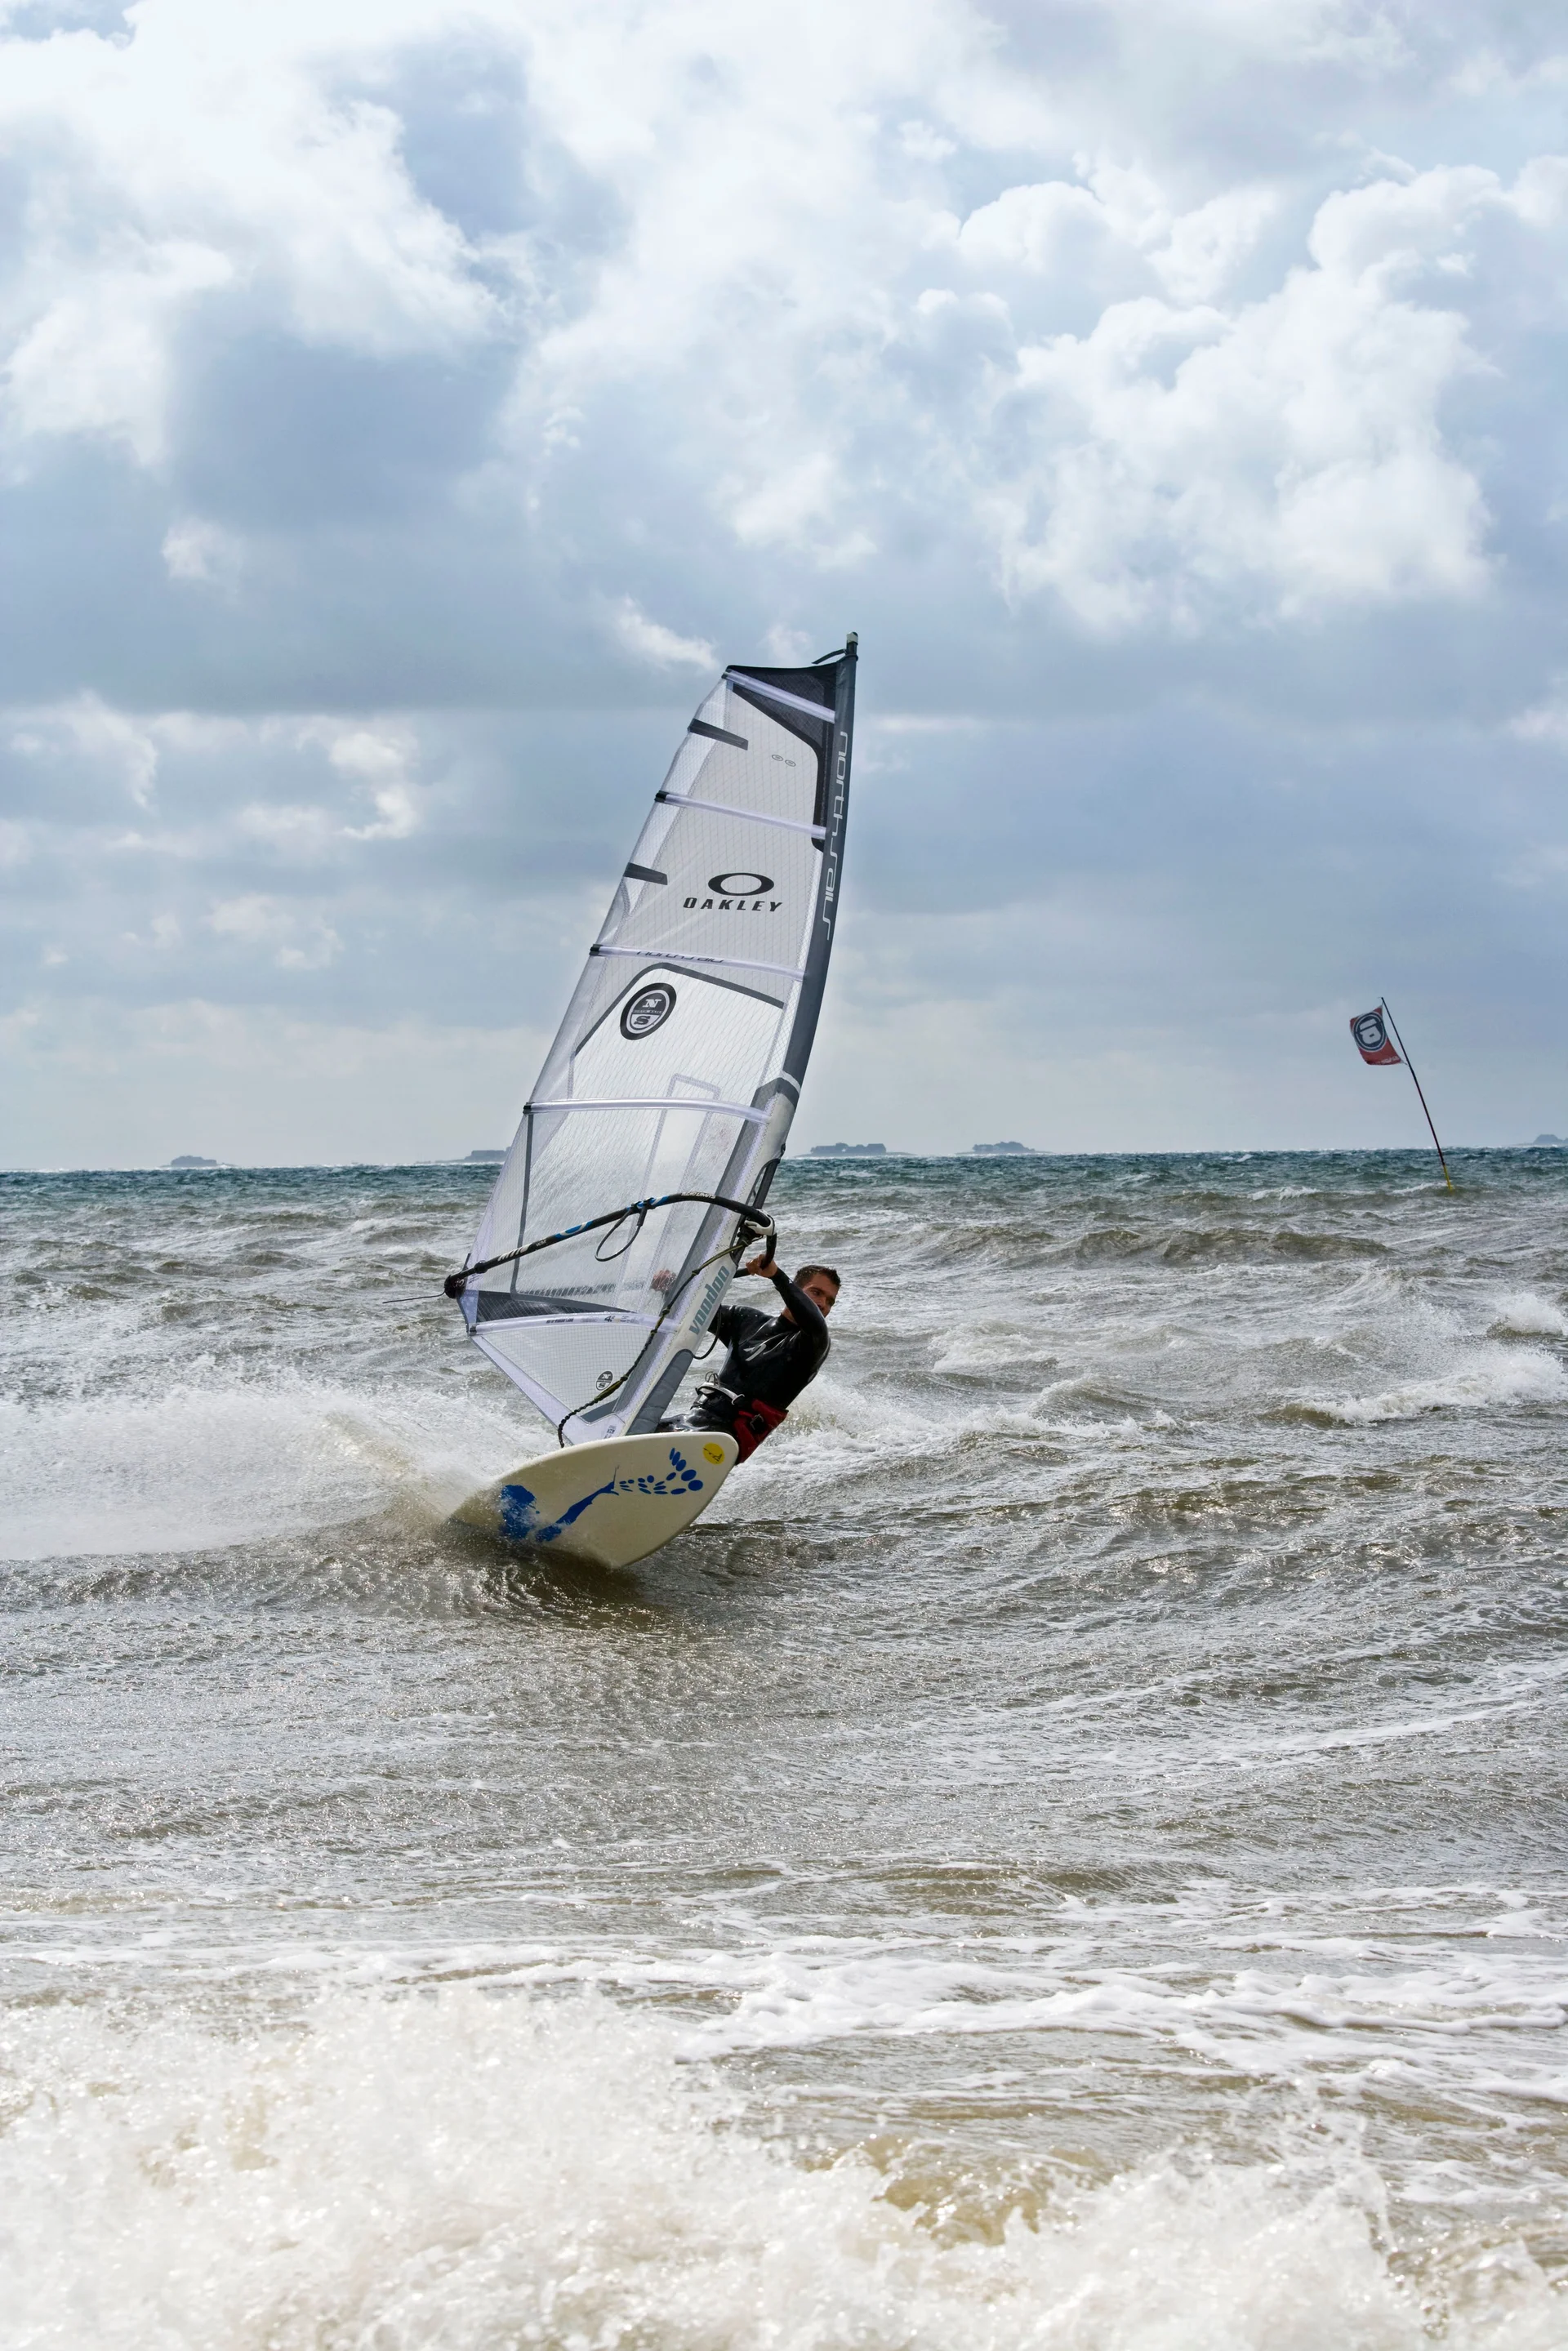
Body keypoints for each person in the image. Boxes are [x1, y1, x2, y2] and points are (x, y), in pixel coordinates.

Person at [673, 1252, 840, 1460]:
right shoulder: (746, 1320)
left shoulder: (813, 1344)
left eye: (830, 1301)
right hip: (689, 1422)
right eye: (816, 1292)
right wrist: (669, 1286)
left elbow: (814, 1321)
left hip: (723, 1443)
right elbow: (696, 1308)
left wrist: (776, 1275)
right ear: (795, 1290)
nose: (824, 1304)